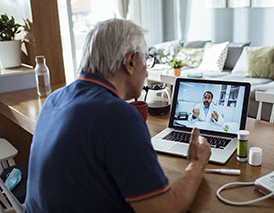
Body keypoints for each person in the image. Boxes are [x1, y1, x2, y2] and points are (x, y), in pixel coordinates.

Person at [24, 19, 211, 213]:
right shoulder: (119, 116)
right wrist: (196, 165)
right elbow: (164, 209)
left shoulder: (54, 99)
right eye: (146, 60)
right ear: (130, 62)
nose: (147, 69)